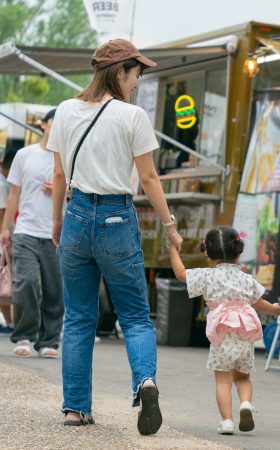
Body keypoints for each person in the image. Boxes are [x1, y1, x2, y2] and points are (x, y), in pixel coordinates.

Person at [48, 39, 183, 434]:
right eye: (137, 73)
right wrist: (169, 226)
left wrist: (58, 221)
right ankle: (145, 382)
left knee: (78, 318)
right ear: (119, 71)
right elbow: (148, 178)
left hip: (75, 215)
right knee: (137, 316)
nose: (138, 82)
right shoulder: (132, 116)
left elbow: (58, 175)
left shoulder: (66, 111)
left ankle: (75, 408)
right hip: (117, 219)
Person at [169, 226, 280, 435]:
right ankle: (246, 404)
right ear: (239, 252)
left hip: (221, 336)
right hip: (244, 335)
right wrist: (274, 310)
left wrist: (172, 249)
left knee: (223, 381)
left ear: (207, 252)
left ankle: (227, 421)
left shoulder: (208, 276)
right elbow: (259, 303)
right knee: (243, 377)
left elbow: (180, 274)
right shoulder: (245, 278)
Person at [0, 110, 64, 358]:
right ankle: (25, 335)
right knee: (25, 283)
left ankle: (48, 340)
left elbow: (77, 192)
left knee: (54, 289)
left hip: (57, 232)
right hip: (26, 230)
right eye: (53, 123)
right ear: (43, 124)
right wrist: (5, 228)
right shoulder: (25, 155)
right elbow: (14, 194)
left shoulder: (67, 159)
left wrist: (62, 187)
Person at [0, 150, 16, 333]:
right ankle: (10, 322)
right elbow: (2, 212)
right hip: (3, 238)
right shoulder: (3, 185)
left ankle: (9, 322)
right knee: (5, 279)